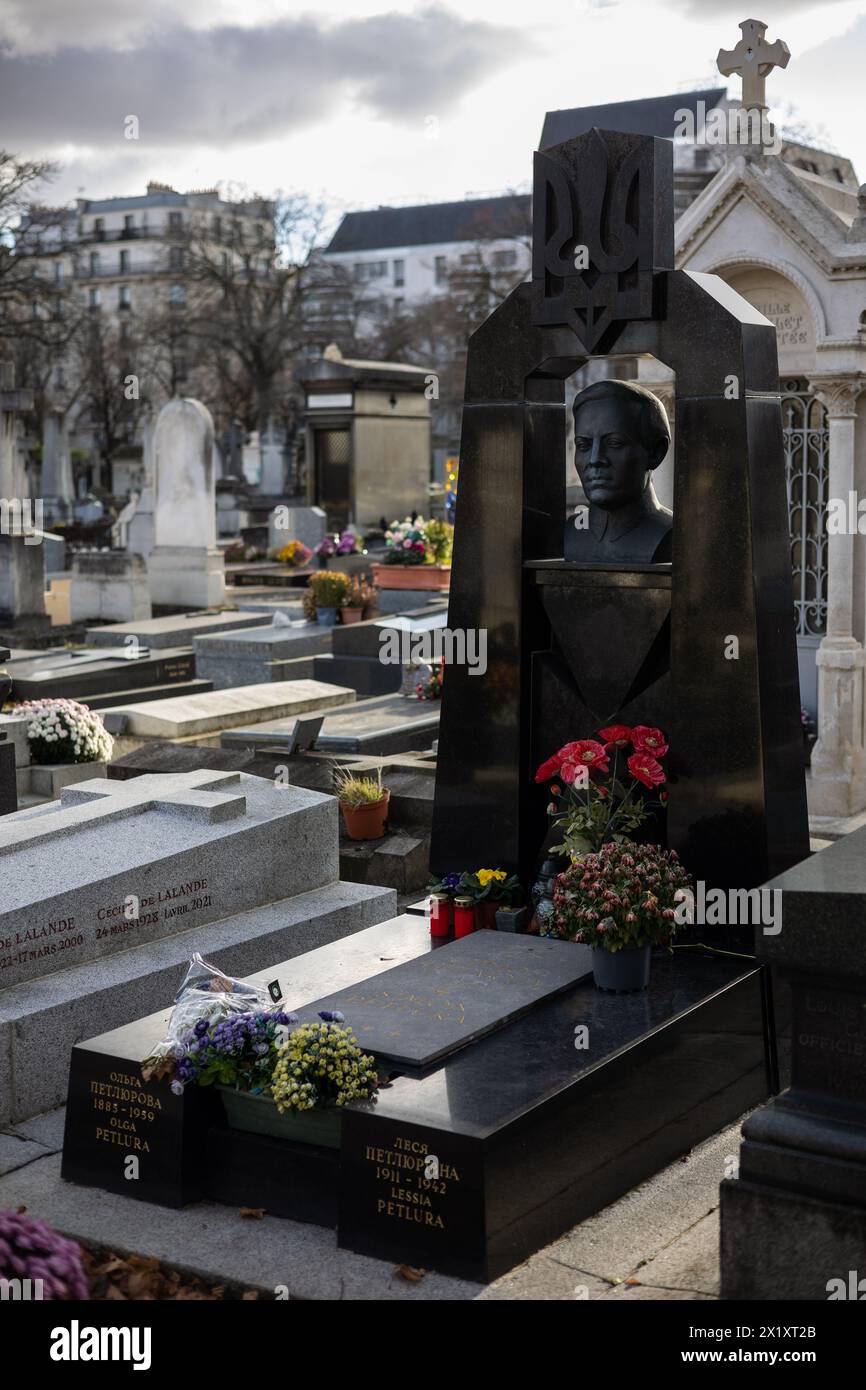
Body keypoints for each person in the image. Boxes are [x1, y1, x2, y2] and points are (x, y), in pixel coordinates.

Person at [565, 380, 672, 563]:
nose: (595, 459)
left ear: (656, 452)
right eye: (583, 445)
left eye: (615, 443)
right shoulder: (568, 534)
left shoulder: (677, 536)